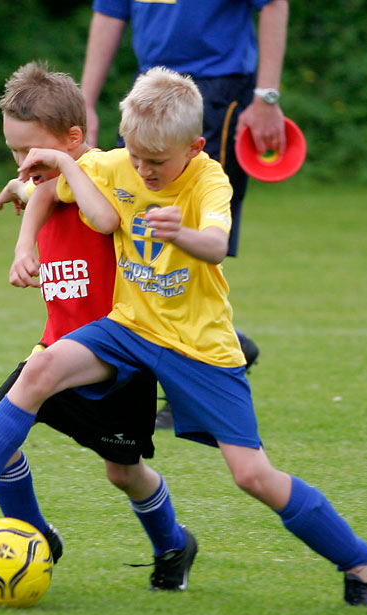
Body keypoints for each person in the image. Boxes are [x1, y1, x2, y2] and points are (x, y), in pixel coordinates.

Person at [0, 67, 367, 607]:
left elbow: (217, 245)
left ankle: (362, 562)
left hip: (199, 347)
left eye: (155, 162)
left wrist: (186, 234)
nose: (142, 171)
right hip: (128, 329)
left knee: (252, 475)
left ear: (194, 146)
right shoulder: (116, 163)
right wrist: (30, 204)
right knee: (36, 372)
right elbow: (52, 182)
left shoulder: (209, 180)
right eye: (135, 157)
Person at [0, 62, 195, 590]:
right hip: (56, 350)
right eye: (14, 151)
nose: (23, 163)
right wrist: (23, 237)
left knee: (123, 472)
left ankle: (173, 543)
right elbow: (37, 191)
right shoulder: (46, 182)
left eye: (31, 150)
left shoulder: (101, 173)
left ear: (72, 140)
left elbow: (101, 214)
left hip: (115, 358)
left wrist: (40, 186)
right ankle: (33, 535)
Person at [80, 0, 287, 427]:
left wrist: (266, 95)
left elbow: (274, 4)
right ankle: (211, 350)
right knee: (140, 228)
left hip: (219, 89)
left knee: (199, 228)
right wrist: (86, 100)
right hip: (152, 90)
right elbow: (109, 14)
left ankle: (195, 366)